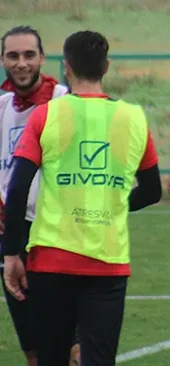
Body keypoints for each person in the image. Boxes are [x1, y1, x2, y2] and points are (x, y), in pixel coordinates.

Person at [2, 30, 162, 365]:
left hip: (50, 260)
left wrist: (13, 253)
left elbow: (17, 189)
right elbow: (152, 191)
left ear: (67, 68)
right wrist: (114, 204)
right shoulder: (133, 118)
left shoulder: (46, 114)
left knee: (51, 358)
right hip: (108, 262)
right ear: (106, 66)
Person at [0, 25, 84, 366]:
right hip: (12, 236)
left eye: (29, 55)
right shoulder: (2, 105)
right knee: (34, 353)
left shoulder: (65, 100)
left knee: (74, 349)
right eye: (13, 56)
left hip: (59, 235)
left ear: (43, 59)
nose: (21, 63)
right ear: (3, 59)